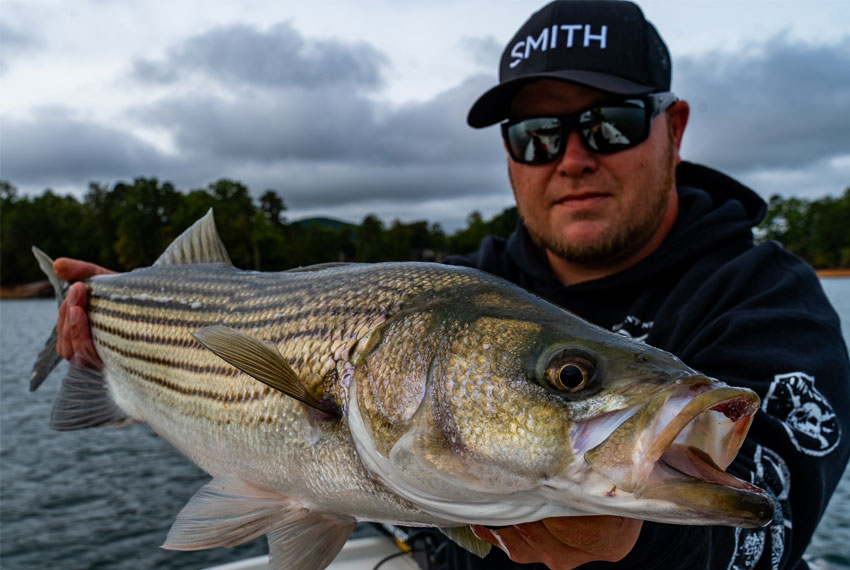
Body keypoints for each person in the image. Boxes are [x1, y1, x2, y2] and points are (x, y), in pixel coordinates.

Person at [51, 1, 850, 569]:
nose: (572, 158)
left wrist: (636, 541)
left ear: (672, 131)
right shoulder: (466, 287)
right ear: (509, 157)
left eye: (612, 123)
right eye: (535, 136)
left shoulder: (765, 299)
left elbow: (767, 519)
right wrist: (118, 326)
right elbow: (221, 383)